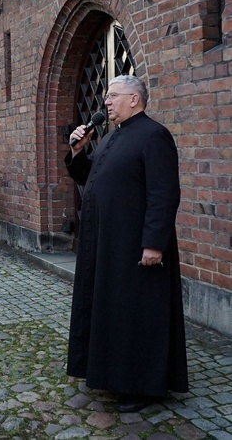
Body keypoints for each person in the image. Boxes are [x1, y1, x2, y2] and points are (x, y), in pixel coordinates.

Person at [65, 75, 188, 412]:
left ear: (134, 99)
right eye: (106, 96)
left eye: (113, 96)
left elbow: (164, 193)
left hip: (135, 245)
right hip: (108, 243)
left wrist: (153, 243)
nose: (106, 102)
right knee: (114, 309)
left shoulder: (154, 135)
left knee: (136, 313)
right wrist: (77, 152)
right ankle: (113, 375)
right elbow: (90, 178)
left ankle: (142, 387)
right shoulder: (109, 138)